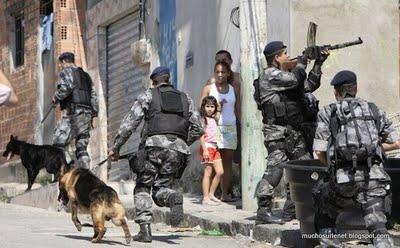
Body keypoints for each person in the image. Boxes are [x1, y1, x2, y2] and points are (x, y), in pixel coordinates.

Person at [108, 66, 203, 243]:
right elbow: (199, 128)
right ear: (168, 79)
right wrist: (181, 143)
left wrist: (116, 147)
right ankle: (171, 196)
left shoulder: (148, 95)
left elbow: (130, 123)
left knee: (143, 186)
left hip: (153, 148)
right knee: (160, 188)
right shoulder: (185, 98)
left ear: (153, 81)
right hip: (178, 151)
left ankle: (145, 230)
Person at [313, 70, 400, 248]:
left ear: (336, 92)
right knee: (378, 227)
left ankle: (329, 241)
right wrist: (373, 150)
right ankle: (382, 241)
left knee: (323, 204)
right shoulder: (375, 110)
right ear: (356, 88)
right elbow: (397, 143)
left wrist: (335, 164)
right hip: (374, 178)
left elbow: (319, 153)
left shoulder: (328, 112)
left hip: (343, 180)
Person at [253, 41, 329, 224]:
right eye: (285, 54)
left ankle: (292, 210)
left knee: (304, 169)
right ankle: (263, 211)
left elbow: (309, 85)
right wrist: (303, 60)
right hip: (277, 132)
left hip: (295, 132)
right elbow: (296, 79)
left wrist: (319, 63)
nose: (288, 56)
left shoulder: (285, 77)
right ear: (276, 58)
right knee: (275, 172)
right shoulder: (270, 76)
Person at [200, 61, 239, 202]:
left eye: (223, 72)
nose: (220, 75)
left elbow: (237, 109)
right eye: (217, 72)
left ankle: (224, 194)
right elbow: (201, 110)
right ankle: (208, 194)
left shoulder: (233, 89)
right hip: (212, 131)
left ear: (228, 73)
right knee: (211, 164)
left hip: (230, 127)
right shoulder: (209, 89)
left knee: (227, 162)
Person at [52, 52, 98, 169]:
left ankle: (67, 170)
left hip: (74, 113)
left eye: (60, 64)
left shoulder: (67, 71)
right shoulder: (86, 76)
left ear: (64, 62)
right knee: (81, 147)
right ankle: (86, 174)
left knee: (58, 142)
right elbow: (93, 95)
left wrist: (56, 97)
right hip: (86, 115)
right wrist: (93, 113)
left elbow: (66, 87)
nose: (61, 67)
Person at [199, 96, 224, 205]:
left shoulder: (214, 118)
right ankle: (205, 198)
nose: (210, 109)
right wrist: (204, 150)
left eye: (212, 106)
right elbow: (201, 136)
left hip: (215, 147)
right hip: (207, 147)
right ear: (203, 107)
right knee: (208, 173)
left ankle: (211, 194)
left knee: (220, 172)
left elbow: (218, 113)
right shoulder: (202, 119)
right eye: (207, 106)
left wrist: (219, 107)